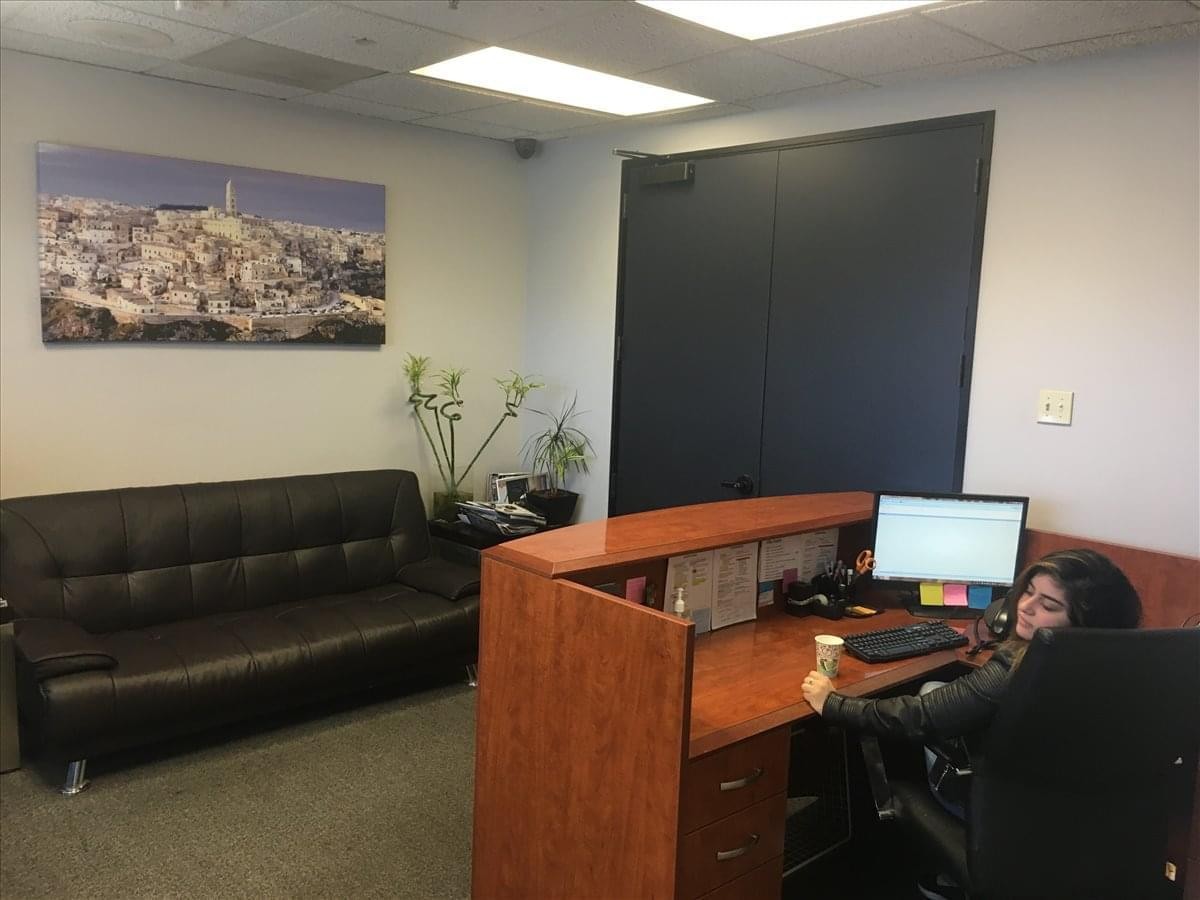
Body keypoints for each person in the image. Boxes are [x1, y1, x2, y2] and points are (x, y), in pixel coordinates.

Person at [799, 549, 1142, 900]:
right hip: (1076, 824)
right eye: (1028, 592)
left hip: (1001, 819)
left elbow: (917, 717)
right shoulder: (1125, 667)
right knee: (935, 688)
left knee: (917, 712)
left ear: (1083, 623)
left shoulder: (1021, 669)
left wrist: (833, 703)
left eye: (1049, 606)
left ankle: (881, 863)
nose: (1025, 607)